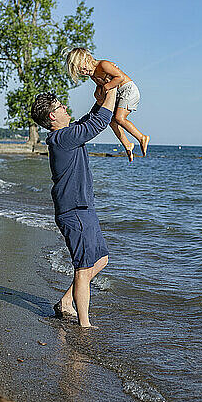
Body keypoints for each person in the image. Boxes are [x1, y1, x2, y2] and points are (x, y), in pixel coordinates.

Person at [31, 86, 116, 327]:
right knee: (83, 267)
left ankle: (66, 302)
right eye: (60, 106)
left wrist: (101, 99)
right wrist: (113, 88)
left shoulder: (65, 134)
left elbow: (91, 118)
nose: (65, 108)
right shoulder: (62, 138)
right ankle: (85, 325)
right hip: (74, 211)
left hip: (84, 208)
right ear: (52, 117)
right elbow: (98, 124)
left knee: (101, 260)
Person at [64, 47, 150, 162]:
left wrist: (106, 87)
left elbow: (120, 77)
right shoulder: (92, 74)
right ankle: (127, 144)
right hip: (117, 92)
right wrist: (98, 91)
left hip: (127, 89)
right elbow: (101, 84)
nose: (85, 73)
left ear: (88, 58)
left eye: (83, 68)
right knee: (111, 119)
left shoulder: (103, 65)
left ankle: (141, 137)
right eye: (81, 72)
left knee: (119, 118)